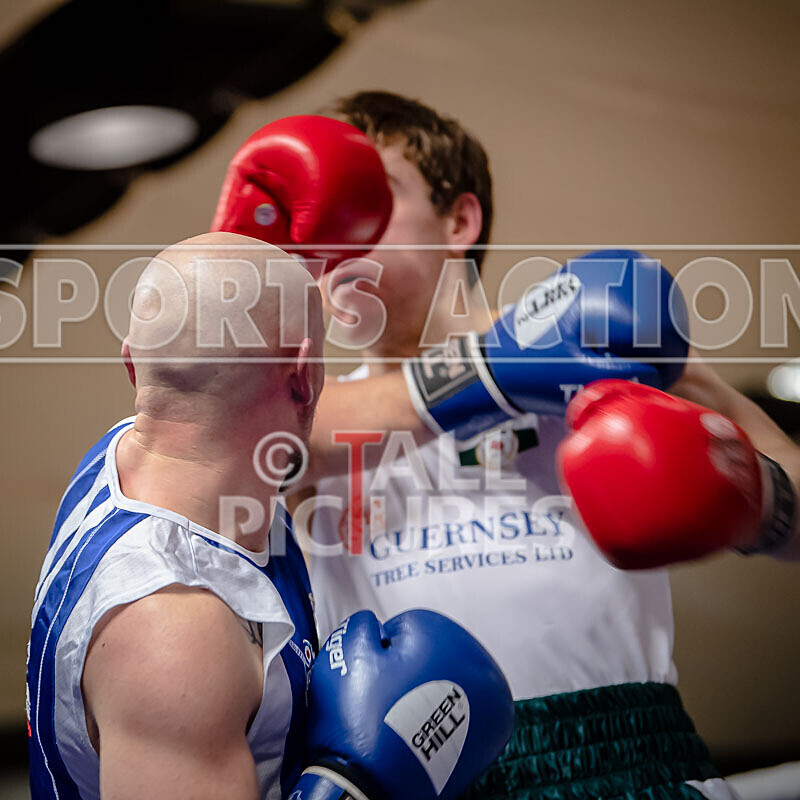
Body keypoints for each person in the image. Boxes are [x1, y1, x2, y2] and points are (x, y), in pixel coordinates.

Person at [211, 94, 799, 799]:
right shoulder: (302, 407)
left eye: (369, 198)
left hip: (636, 758)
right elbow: (250, 433)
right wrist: (496, 368)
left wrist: (757, 498)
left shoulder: (601, 341)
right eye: (326, 208)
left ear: (459, 220)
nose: (341, 230)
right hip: (422, 770)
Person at [26, 229, 516, 800]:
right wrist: (347, 788)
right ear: (304, 378)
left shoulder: (137, 456)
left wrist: (497, 366)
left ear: (134, 366)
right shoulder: (177, 635)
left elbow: (327, 430)